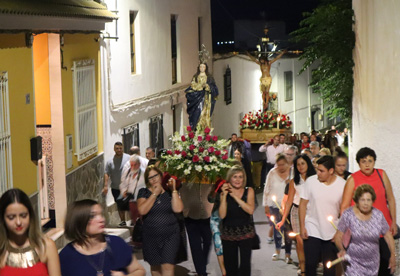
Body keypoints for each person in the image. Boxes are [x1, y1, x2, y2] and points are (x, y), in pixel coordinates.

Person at [340, 147, 397, 276]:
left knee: (386, 266)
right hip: (361, 233)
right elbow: (344, 206)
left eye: (370, 161)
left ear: (374, 162)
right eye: (363, 161)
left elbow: (391, 199)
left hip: (383, 230)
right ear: (358, 163)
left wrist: (393, 221)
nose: (367, 164)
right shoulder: (353, 179)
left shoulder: (381, 174)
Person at [59, 199, 145, 276]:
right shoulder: (66, 256)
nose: (102, 219)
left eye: (101, 214)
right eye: (93, 216)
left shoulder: (117, 243)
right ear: (78, 221)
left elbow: (140, 271)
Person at [299, 155, 346, 276]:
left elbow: (345, 211)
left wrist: (339, 232)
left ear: (331, 171)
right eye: (317, 170)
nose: (318, 173)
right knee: (310, 264)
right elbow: (303, 204)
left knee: (329, 268)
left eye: (321, 171)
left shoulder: (342, 185)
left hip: (332, 232)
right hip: (312, 228)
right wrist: (302, 226)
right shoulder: (311, 181)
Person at [335, 184, 396, 276]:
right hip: (353, 263)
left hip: (373, 264)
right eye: (362, 200)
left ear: (372, 201)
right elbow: (338, 236)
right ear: (357, 201)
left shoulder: (378, 215)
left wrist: (392, 255)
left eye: (368, 200)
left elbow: (388, 235)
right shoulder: (348, 214)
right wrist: (342, 249)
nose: (366, 203)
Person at [0, 189, 60, 276]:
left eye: (23, 216)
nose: (18, 222)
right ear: (3, 220)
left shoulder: (46, 246)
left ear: (30, 216)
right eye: (11, 217)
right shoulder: (1, 251)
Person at [137, 166, 184, 276]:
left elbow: (178, 209)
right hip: (150, 236)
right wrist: (155, 194)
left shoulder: (169, 192)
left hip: (171, 235)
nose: (153, 179)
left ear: (161, 176)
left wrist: (173, 190)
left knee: (167, 266)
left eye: (155, 176)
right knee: (155, 267)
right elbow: (142, 210)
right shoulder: (143, 192)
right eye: (150, 177)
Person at [276, 154, 316, 275]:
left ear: (308, 164)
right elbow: (289, 202)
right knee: (300, 240)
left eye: (303, 163)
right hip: (296, 212)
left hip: (311, 212)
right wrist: (283, 220)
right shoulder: (294, 182)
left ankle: (312, 264)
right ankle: (303, 267)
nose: (300, 166)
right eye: (298, 164)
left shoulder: (315, 179)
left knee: (311, 239)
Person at [219, 165, 255, 276]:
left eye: (240, 177)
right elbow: (222, 215)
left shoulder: (249, 191)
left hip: (245, 233)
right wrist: (225, 196)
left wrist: (235, 197)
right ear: (229, 178)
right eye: (235, 177)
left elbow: (250, 210)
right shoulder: (223, 193)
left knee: (245, 266)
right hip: (228, 233)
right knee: (230, 266)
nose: (238, 180)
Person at [263, 154, 292, 262]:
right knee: (277, 228)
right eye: (278, 165)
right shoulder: (272, 172)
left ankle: (288, 254)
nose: (281, 167)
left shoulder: (292, 172)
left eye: (283, 164)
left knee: (288, 229)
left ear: (287, 163)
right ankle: (277, 250)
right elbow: (267, 189)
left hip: (288, 204)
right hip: (274, 205)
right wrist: (265, 204)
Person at [103, 142, 131, 227]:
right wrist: (105, 185)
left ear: (123, 148)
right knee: (119, 204)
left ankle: (132, 220)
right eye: (117, 148)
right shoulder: (110, 161)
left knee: (129, 203)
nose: (119, 150)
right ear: (114, 149)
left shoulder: (129, 158)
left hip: (127, 187)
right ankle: (123, 221)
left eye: (120, 148)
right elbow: (107, 173)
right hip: (115, 187)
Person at [185, 62, 219, 130]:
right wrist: (199, 86)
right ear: (199, 68)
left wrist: (207, 86)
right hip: (197, 98)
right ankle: (197, 128)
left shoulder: (209, 77)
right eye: (201, 67)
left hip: (206, 99)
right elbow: (193, 85)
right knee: (197, 113)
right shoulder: (195, 77)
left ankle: (204, 128)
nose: (202, 68)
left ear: (206, 68)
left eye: (203, 67)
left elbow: (214, 88)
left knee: (204, 114)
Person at [119, 155, 146, 225]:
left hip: (142, 200)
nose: (133, 167)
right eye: (131, 165)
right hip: (131, 200)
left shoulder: (144, 173)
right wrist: (124, 192)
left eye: (135, 165)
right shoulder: (127, 172)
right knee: (134, 219)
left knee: (142, 218)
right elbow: (122, 183)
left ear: (139, 164)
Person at [208, 180, 226, 276]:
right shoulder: (217, 183)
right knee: (219, 246)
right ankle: (224, 272)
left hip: (228, 219)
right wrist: (217, 188)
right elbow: (210, 199)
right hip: (216, 219)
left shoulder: (233, 182)